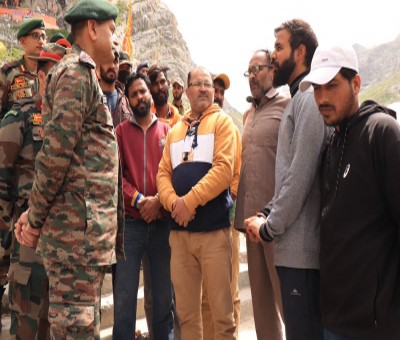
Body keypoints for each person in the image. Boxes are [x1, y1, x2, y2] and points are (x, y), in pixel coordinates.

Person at [14, 1, 124, 338]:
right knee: (75, 329)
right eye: (110, 29)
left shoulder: (81, 72)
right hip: (75, 238)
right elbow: (55, 156)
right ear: (92, 29)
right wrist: (34, 219)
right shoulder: (76, 73)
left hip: (82, 236)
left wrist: (35, 212)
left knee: (80, 326)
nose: (115, 38)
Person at [299, 45, 400, 340]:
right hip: (333, 320)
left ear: (356, 83)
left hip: (376, 325)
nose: (322, 98)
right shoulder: (332, 145)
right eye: (317, 89)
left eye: (332, 86)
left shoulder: (381, 132)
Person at [245, 19, 329, 340]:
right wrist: (268, 212)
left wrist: (270, 226)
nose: (274, 56)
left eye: (279, 48)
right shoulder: (299, 99)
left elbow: (299, 177)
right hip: (292, 248)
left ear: (300, 51)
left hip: (303, 252)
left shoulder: (308, 99)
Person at [157, 66, 237, 340]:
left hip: (214, 234)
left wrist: (188, 202)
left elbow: (224, 169)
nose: (204, 88)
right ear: (188, 90)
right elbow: (163, 174)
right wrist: (173, 204)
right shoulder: (174, 131)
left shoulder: (223, 123)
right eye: (198, 84)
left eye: (207, 84)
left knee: (222, 317)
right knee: (187, 317)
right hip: (180, 237)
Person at [0, 43, 67, 340]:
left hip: (64, 243)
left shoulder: (71, 123)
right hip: (26, 242)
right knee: (24, 330)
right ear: (40, 78)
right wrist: (4, 243)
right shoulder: (20, 117)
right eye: (53, 77)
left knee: (55, 329)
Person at [112, 72, 174, 340]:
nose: (139, 97)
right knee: (124, 299)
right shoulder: (120, 133)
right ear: (128, 99)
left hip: (162, 224)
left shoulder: (168, 132)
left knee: (163, 299)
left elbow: (174, 173)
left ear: (150, 94)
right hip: (132, 226)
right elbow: (117, 175)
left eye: (142, 91)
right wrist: (139, 200)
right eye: (133, 94)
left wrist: (159, 200)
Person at [235, 49, 290, 340]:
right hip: (250, 224)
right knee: (261, 307)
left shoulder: (288, 105)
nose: (253, 76)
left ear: (272, 69)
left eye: (258, 68)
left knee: (287, 301)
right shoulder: (247, 114)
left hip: (278, 224)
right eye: (249, 71)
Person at [201, 72, 241, 340]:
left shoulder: (232, 129)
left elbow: (235, 177)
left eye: (222, 91)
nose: (218, 95)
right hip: (203, 225)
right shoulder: (197, 130)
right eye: (214, 89)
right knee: (205, 296)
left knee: (230, 293)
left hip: (226, 221)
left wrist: (223, 201)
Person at [0, 18, 45, 119]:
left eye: (43, 36)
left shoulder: (49, 74)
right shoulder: (8, 73)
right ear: (23, 41)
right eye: (35, 36)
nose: (41, 41)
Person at [99, 49, 132, 127]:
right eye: (107, 60)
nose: (112, 66)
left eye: (115, 61)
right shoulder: (90, 97)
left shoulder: (126, 101)